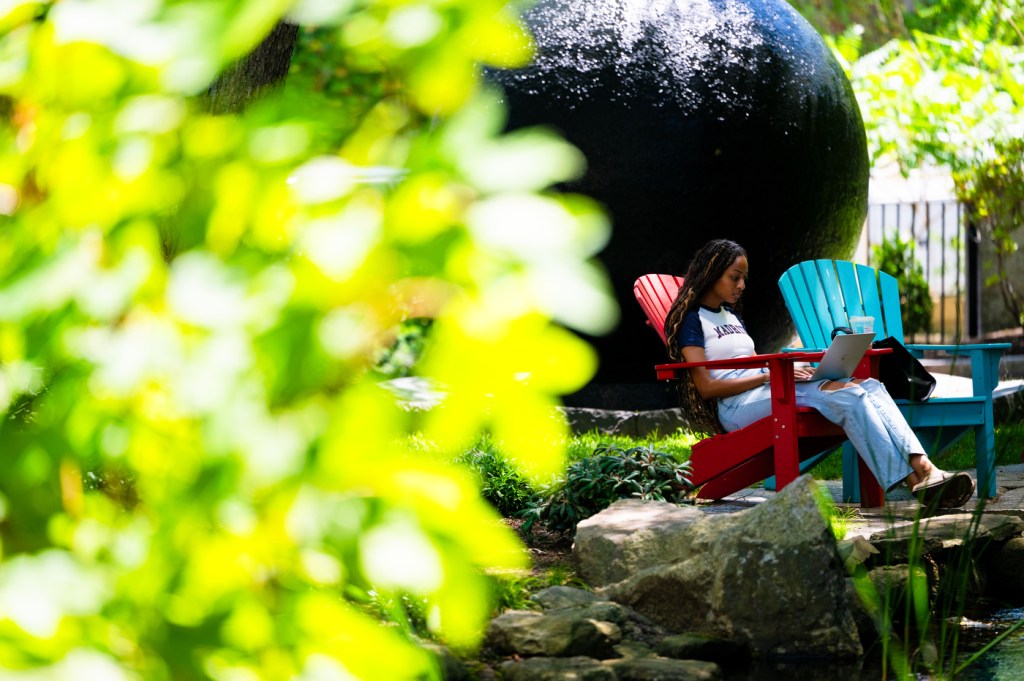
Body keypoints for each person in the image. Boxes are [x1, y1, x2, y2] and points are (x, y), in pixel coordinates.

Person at [663, 238, 975, 508]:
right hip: (736, 406)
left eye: (743, 278)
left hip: (766, 389)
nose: (742, 285)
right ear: (713, 273)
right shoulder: (693, 320)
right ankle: (913, 481)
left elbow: (754, 360)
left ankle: (926, 468)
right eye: (735, 277)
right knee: (851, 397)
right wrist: (767, 376)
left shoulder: (729, 316)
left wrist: (792, 369)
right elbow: (705, 386)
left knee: (870, 386)